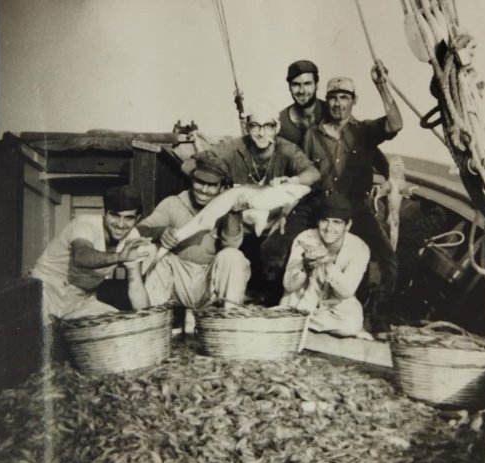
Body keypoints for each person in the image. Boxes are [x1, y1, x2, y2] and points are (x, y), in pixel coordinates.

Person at [302, 60, 403, 334]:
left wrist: (382, 86)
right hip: (323, 208)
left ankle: (376, 320)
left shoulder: (365, 132)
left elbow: (395, 124)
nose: (338, 104)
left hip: (357, 208)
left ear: (354, 101)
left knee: (387, 261)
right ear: (327, 100)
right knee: (289, 248)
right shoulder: (312, 135)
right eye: (333, 98)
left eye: (344, 97)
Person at [203, 103, 321, 301]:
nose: (261, 133)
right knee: (229, 250)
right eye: (255, 126)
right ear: (247, 128)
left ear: (277, 128)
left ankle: (267, 296)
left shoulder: (286, 149)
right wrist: (219, 185)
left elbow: (313, 173)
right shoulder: (234, 146)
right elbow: (194, 163)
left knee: (276, 253)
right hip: (239, 221)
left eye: (268, 126)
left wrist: (292, 180)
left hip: (273, 220)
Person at [128, 150, 250, 309]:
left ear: (221, 187)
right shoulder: (173, 203)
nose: (204, 190)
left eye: (212, 185)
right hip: (177, 278)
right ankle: (153, 318)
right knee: (150, 250)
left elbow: (231, 246)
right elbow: (141, 229)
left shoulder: (226, 206)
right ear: (192, 180)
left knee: (233, 256)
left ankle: (229, 323)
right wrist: (160, 232)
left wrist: (233, 213)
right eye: (200, 182)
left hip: (209, 280)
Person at [31, 185, 149, 322]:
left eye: (129, 218)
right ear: (105, 213)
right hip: (46, 289)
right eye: (115, 215)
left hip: (81, 299)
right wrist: (119, 257)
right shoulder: (84, 223)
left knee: (115, 324)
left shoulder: (133, 237)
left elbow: (136, 288)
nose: (121, 225)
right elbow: (81, 256)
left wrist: (148, 322)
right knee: (39, 336)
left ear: (137, 219)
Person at [280, 193, 370, 338]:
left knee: (352, 324)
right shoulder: (305, 238)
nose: (329, 228)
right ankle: (305, 322)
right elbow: (289, 285)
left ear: (348, 225)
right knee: (288, 310)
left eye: (337, 222)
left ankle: (305, 323)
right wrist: (304, 266)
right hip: (302, 298)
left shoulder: (359, 248)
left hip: (336, 303)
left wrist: (327, 264)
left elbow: (347, 291)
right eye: (324, 221)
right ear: (318, 222)